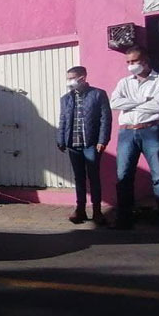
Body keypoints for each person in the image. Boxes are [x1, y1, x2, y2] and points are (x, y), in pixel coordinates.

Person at [110, 47, 159, 229]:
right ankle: (124, 218)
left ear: (145, 61)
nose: (131, 65)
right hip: (127, 132)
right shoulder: (124, 82)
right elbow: (114, 103)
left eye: (134, 61)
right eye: (128, 62)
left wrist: (131, 105)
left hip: (151, 130)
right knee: (123, 176)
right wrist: (145, 101)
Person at [57, 66, 112, 225]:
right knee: (79, 178)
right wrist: (60, 139)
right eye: (68, 78)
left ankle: (97, 211)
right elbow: (63, 121)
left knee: (94, 177)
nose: (70, 82)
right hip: (73, 144)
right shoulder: (66, 98)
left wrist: (102, 140)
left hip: (91, 144)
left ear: (83, 78)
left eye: (73, 78)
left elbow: (105, 119)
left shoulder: (97, 94)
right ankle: (80, 209)